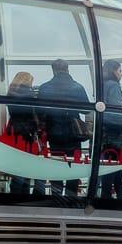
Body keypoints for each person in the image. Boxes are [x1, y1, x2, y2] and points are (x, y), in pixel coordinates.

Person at [36, 58, 91, 195]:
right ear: (67, 69)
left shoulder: (45, 87)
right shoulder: (78, 87)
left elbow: (40, 112)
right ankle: (70, 198)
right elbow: (86, 110)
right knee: (73, 167)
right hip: (74, 134)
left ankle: (56, 197)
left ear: (53, 70)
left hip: (54, 133)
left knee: (57, 166)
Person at [3, 71, 42, 196]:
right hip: (26, 133)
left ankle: (16, 196)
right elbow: (31, 115)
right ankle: (23, 196)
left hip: (14, 131)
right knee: (26, 167)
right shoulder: (28, 94)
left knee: (17, 165)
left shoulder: (10, 92)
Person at [97, 59, 122, 199]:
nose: (121, 74)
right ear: (113, 71)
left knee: (107, 169)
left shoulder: (101, 86)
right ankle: (118, 197)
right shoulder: (114, 86)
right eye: (120, 71)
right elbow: (116, 111)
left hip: (104, 135)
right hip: (115, 135)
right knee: (117, 168)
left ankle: (106, 195)